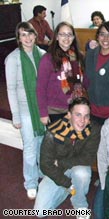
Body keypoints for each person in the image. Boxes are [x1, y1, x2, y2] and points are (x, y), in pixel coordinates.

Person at [34, 97, 101, 219]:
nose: (82, 120)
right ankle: (68, 189)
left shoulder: (94, 130)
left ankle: (79, 202)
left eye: (86, 116)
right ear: (69, 115)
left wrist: (60, 162)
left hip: (73, 166)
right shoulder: (53, 133)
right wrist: (67, 184)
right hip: (57, 172)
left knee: (82, 173)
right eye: (78, 115)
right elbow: (45, 165)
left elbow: (89, 158)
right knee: (40, 212)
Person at [5, 22, 46, 200]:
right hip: (25, 109)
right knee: (30, 146)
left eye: (30, 34)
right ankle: (30, 182)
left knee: (42, 144)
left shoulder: (43, 55)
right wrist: (15, 114)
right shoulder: (13, 59)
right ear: (18, 38)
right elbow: (11, 89)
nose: (27, 38)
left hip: (42, 109)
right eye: (23, 35)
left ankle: (42, 173)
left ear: (35, 35)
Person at [37, 21, 87, 126]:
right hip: (55, 111)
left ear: (73, 38)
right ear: (56, 37)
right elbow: (40, 88)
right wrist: (43, 114)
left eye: (69, 34)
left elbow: (85, 81)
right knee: (59, 141)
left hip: (75, 108)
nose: (66, 38)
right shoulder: (48, 59)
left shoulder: (78, 57)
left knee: (74, 140)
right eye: (62, 34)